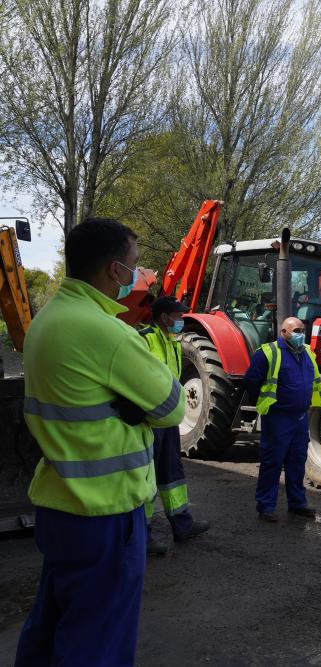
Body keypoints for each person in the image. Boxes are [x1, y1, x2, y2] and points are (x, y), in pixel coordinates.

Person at [15, 218, 185, 665]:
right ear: (114, 269)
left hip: (61, 503)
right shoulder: (105, 331)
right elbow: (173, 408)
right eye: (133, 264)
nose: (137, 273)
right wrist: (136, 403)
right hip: (106, 513)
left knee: (52, 624)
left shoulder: (48, 320)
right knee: (98, 641)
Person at [140, 296, 210, 555]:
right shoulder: (145, 339)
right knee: (147, 478)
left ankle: (182, 525)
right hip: (150, 421)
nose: (180, 320)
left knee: (172, 475)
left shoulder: (173, 342)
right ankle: (143, 536)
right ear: (163, 317)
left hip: (168, 421)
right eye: (177, 316)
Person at [244, 316, 321, 523]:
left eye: (302, 330)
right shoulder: (268, 353)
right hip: (278, 418)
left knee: (297, 462)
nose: (300, 334)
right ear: (284, 332)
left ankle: (297, 503)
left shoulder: (307, 352)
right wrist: (268, 405)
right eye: (296, 330)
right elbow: (252, 381)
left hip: (300, 418)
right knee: (272, 462)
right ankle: (266, 506)